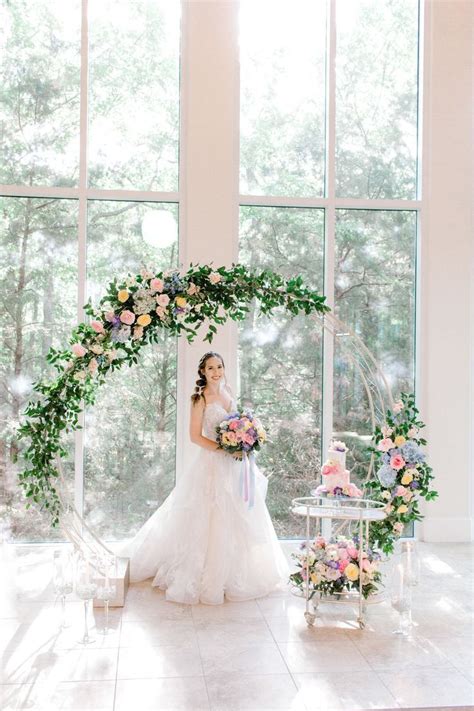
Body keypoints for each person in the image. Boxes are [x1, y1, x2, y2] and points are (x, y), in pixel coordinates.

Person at [119, 351, 289, 605]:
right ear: (203, 372)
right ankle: (207, 577)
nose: (216, 372)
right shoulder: (200, 398)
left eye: (219, 366)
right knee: (210, 515)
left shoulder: (228, 391)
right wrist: (226, 448)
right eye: (210, 368)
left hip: (235, 465)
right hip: (212, 464)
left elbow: (238, 422)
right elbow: (195, 436)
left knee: (237, 515)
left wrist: (246, 439)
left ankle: (235, 573)